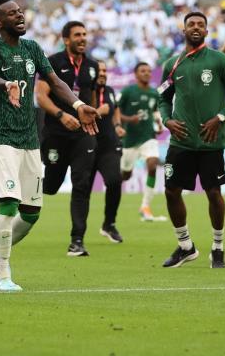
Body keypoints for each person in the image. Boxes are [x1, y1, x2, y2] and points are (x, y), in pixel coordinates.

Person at [0, 0, 98, 291]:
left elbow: (55, 82)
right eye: (12, 13)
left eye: (20, 11)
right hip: (1, 137)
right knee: (8, 205)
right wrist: (5, 84)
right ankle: (2, 275)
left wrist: (79, 103)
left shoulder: (32, 48)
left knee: (31, 212)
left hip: (30, 139)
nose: (19, 15)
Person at [158, 11, 225, 269]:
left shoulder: (220, 61)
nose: (196, 27)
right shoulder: (172, 64)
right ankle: (185, 246)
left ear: (207, 31)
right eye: (191, 24)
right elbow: (163, 98)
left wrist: (220, 117)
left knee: (214, 192)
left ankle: (218, 247)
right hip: (181, 141)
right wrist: (167, 121)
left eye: (200, 25)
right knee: (171, 191)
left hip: (211, 141)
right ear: (183, 31)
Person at [35, 21, 101, 257]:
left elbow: (90, 98)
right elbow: (40, 96)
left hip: (83, 136)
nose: (83, 38)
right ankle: (27, 190)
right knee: (51, 186)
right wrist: (61, 115)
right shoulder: (53, 62)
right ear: (66, 39)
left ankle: (77, 240)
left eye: (85, 34)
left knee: (82, 184)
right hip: (56, 134)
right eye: (77, 35)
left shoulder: (92, 66)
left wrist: (91, 116)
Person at [118, 62, 163, 222]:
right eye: (143, 71)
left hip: (148, 137)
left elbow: (155, 110)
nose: (146, 73)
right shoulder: (128, 91)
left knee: (152, 164)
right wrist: (128, 119)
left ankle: (145, 206)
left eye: (149, 71)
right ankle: (112, 187)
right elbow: (115, 111)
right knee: (125, 175)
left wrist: (158, 124)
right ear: (136, 74)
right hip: (129, 140)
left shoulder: (154, 93)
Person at [91, 61, 125, 243]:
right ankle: (77, 234)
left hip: (109, 146)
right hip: (87, 146)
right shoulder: (85, 90)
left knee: (114, 181)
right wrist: (97, 112)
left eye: (105, 70)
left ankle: (109, 224)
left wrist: (118, 125)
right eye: (99, 70)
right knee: (83, 189)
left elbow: (115, 109)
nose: (103, 73)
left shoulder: (110, 91)